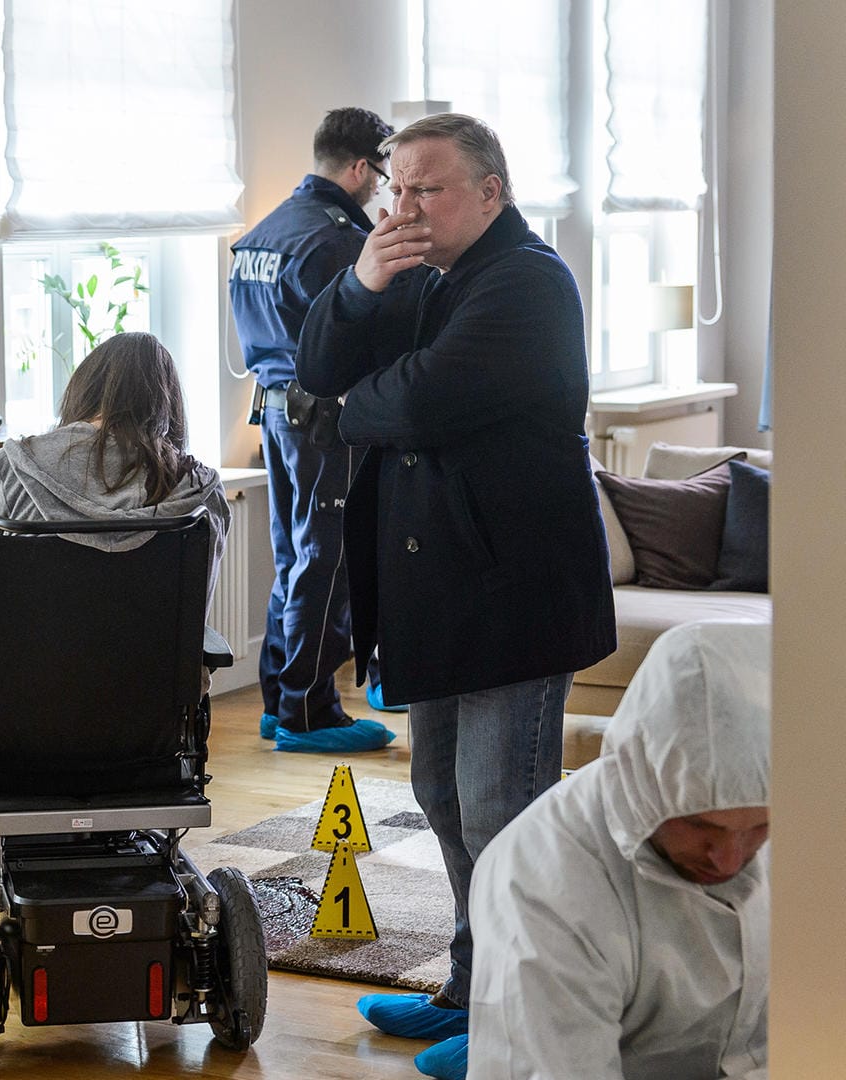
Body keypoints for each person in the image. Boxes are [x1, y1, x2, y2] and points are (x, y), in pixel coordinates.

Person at [294, 113, 617, 1071]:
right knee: (437, 791)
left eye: (428, 189)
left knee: (502, 811)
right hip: (438, 593)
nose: (405, 207)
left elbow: (421, 397)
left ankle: (520, 1019)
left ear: (491, 191)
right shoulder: (417, 278)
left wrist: (348, 411)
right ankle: (472, 988)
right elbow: (319, 363)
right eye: (395, 189)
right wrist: (360, 283)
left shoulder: (529, 281)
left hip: (515, 595)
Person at [413, 620, 769, 1080]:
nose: (728, 857)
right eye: (699, 824)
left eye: (760, 826)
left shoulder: (810, 832)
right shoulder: (542, 882)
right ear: (644, 779)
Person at [229, 106, 399, 754]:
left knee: (293, 557)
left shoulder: (265, 231)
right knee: (327, 559)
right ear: (360, 166)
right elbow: (357, 337)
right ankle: (310, 711)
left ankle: (280, 700)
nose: (381, 188)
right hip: (325, 418)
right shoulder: (336, 241)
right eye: (381, 173)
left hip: (273, 408)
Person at [0, 332, 229, 652]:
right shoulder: (201, 493)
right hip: (150, 697)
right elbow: (190, 625)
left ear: (84, 389)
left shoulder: (10, 469)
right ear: (168, 404)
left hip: (19, 695)